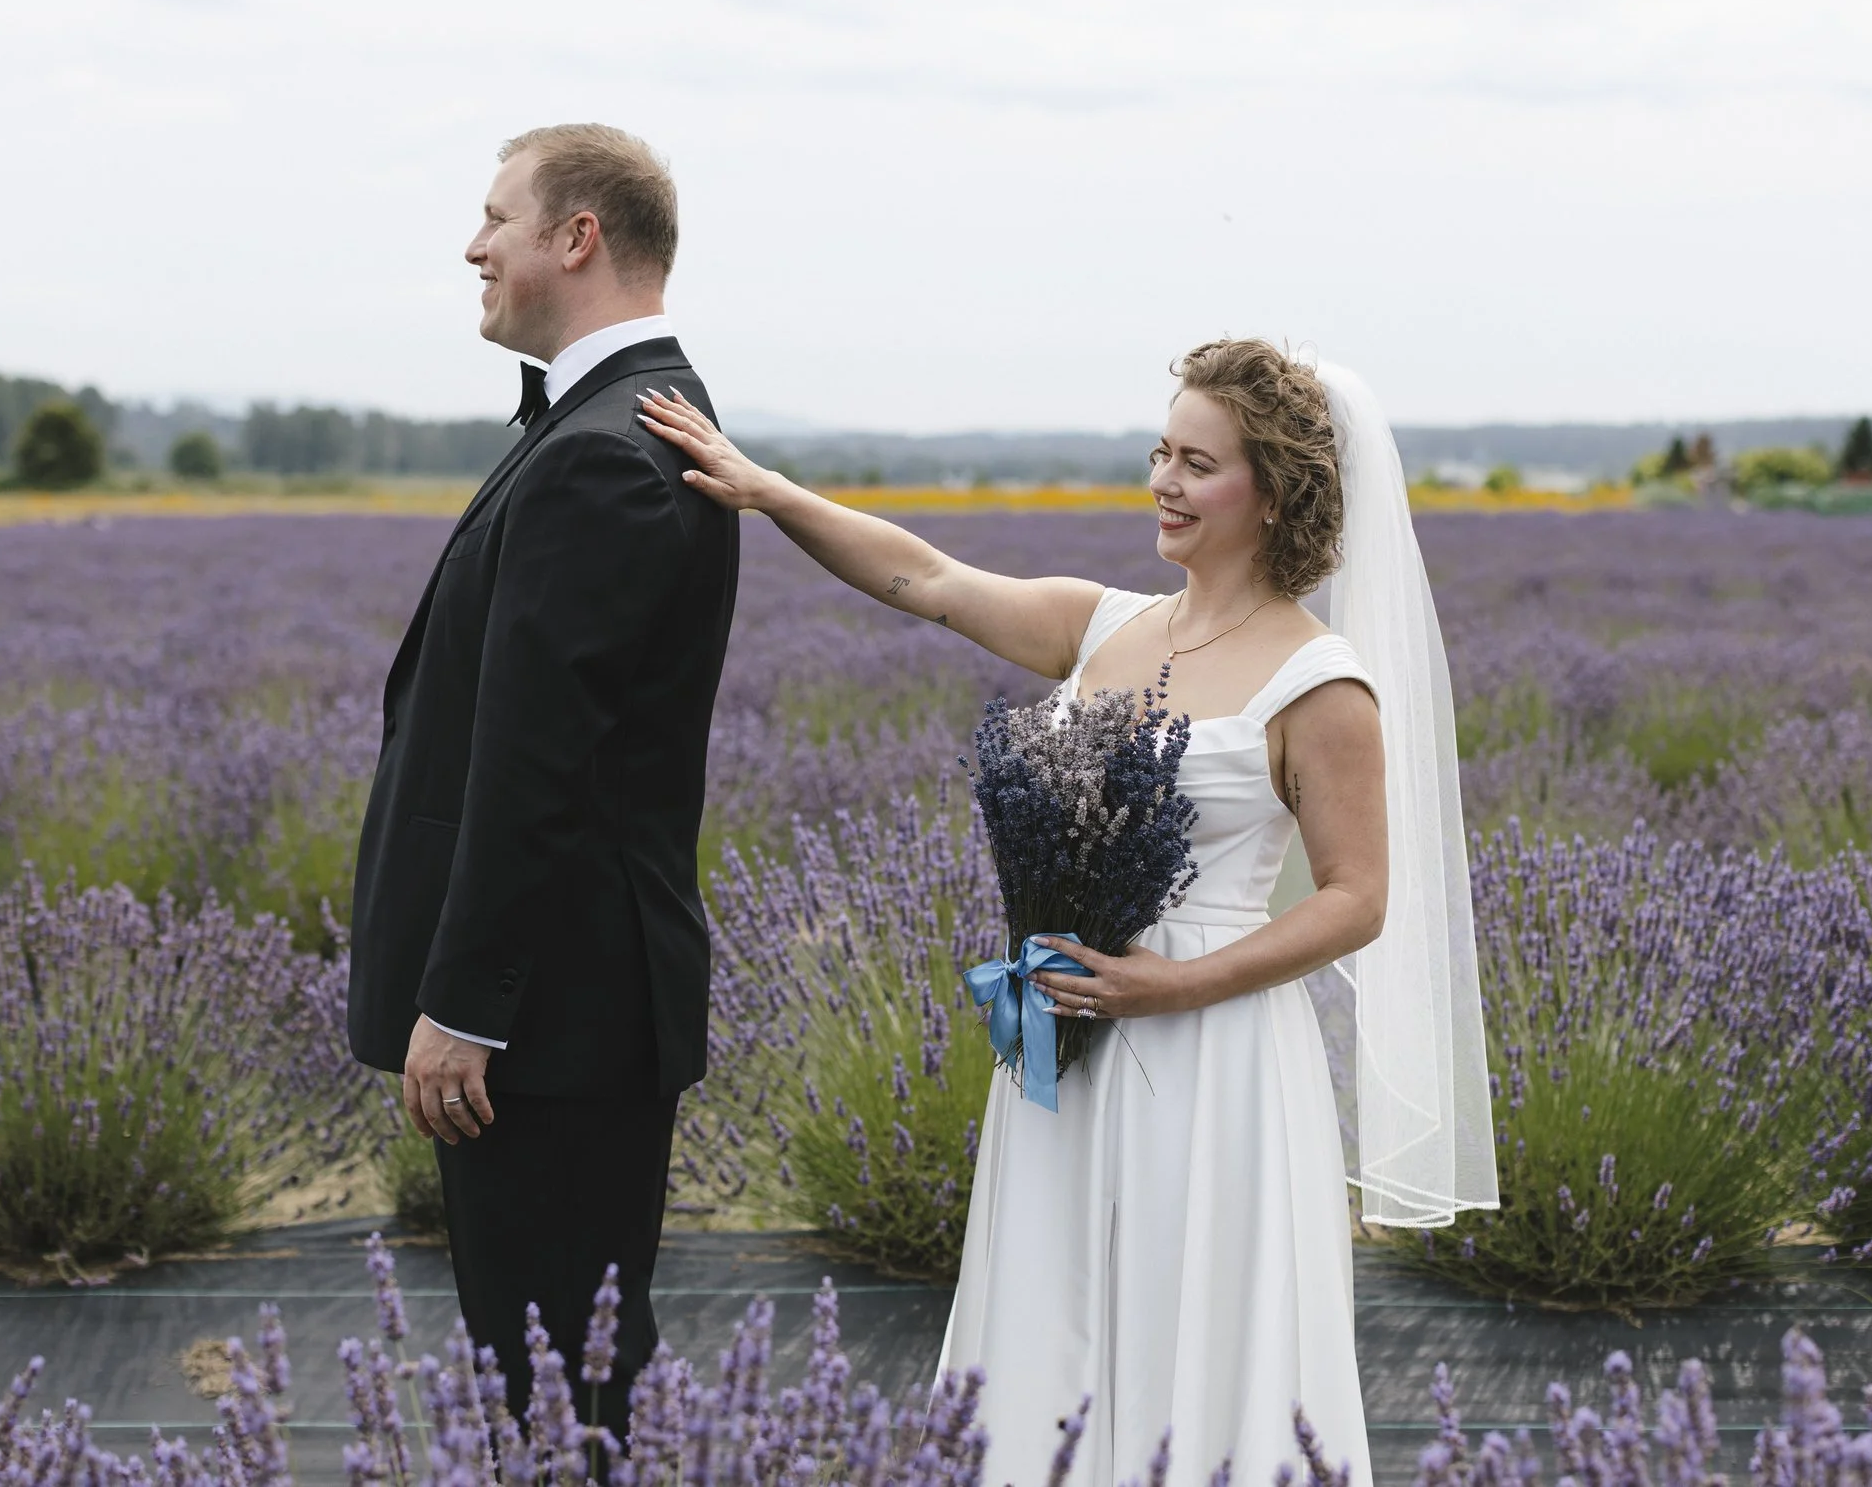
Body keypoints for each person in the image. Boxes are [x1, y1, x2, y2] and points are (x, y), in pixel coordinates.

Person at [639, 339, 1495, 1485]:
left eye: (1198, 462)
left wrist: (1172, 984)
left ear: (1276, 492)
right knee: (1052, 1312)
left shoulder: (1320, 680)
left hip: (1214, 1056)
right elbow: (928, 582)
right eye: (1160, 451)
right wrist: (766, 489)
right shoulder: (1106, 627)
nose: (1164, 482)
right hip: (1062, 1046)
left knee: (1189, 1321)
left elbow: (1358, 899)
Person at [347, 124, 739, 1431]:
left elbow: (540, 769)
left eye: (496, 218)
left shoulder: (600, 454)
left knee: (561, 1393)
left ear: (577, 238)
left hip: (553, 1024)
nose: (473, 245)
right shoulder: (613, 425)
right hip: (562, 1010)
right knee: (554, 1387)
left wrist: (468, 1004)